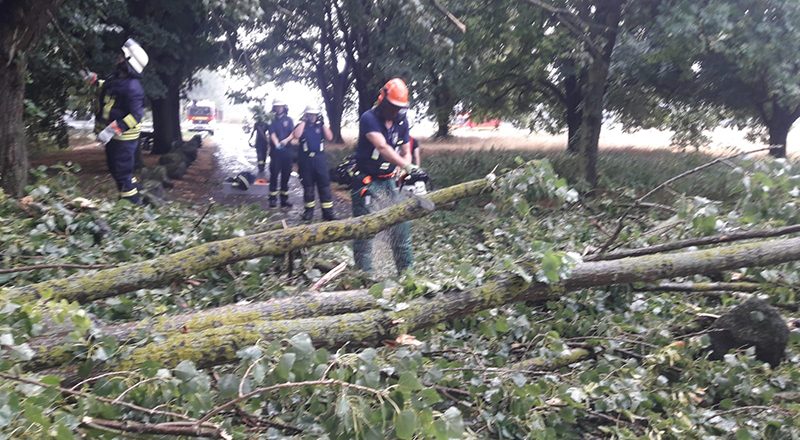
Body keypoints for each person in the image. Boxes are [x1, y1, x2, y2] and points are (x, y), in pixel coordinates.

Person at [351, 78, 421, 273]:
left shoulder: (402, 121)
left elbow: (406, 150)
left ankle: (407, 275)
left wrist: (406, 168)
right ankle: (364, 276)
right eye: (392, 106)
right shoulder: (369, 118)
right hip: (367, 180)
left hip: (389, 179)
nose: (394, 111)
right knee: (365, 231)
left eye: (398, 107)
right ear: (383, 100)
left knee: (401, 228)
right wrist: (407, 165)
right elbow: (382, 147)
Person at [84, 38, 148, 205]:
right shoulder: (119, 78)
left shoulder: (133, 87)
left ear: (129, 62)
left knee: (121, 172)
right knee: (116, 169)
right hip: (115, 137)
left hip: (124, 139)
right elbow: (109, 87)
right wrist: (94, 81)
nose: (117, 58)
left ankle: (132, 205)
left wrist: (112, 130)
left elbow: (136, 116)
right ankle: (134, 194)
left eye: (121, 56)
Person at [292, 106, 336, 221]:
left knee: (324, 187)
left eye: (314, 114)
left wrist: (323, 123)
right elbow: (296, 135)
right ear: (306, 115)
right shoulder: (301, 125)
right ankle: (309, 213)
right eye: (310, 114)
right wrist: (304, 121)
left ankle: (328, 213)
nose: (312, 117)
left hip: (319, 159)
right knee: (308, 188)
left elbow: (330, 137)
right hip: (306, 160)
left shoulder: (320, 126)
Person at [268, 99, 294, 208]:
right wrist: (277, 144)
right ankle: (272, 199)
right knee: (274, 175)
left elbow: (293, 133)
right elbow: (272, 134)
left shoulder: (289, 120)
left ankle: (284, 200)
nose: (279, 108)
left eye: (280, 106)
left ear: (284, 107)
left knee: (286, 176)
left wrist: (286, 140)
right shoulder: (271, 120)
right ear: (274, 108)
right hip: (276, 153)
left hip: (287, 152)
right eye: (277, 106)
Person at [250, 109, 270, 173]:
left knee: (264, 155)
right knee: (259, 156)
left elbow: (270, 133)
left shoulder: (266, 124)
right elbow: (253, 132)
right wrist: (250, 139)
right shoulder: (256, 124)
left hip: (264, 142)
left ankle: (262, 166)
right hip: (258, 142)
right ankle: (260, 167)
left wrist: (269, 141)